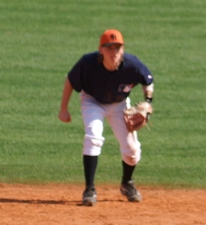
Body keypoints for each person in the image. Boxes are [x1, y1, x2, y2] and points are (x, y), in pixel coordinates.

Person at [58, 29, 154, 205]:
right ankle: (89, 189)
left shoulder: (132, 65)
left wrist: (148, 102)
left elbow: (148, 80)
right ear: (101, 50)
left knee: (132, 150)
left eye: (117, 48)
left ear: (122, 49)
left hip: (119, 105)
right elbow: (70, 80)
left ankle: (127, 183)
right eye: (109, 48)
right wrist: (63, 108)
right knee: (93, 137)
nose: (113, 52)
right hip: (92, 101)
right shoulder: (88, 63)